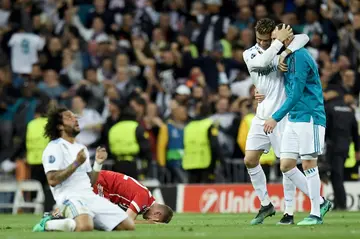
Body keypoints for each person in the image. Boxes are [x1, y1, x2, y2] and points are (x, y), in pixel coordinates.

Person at [242, 18, 309, 225]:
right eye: (259, 39)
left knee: (286, 165)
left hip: (281, 116)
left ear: (273, 34)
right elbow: (262, 63)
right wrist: (277, 45)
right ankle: (266, 204)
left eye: (266, 39)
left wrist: (285, 50)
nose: (262, 43)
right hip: (261, 115)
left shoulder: (282, 48)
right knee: (250, 160)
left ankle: (295, 208)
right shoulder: (250, 54)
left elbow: (305, 37)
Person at [264, 24, 332, 225]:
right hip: (295, 117)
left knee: (309, 162)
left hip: (310, 115)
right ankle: (321, 202)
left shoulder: (300, 57)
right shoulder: (288, 55)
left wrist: (275, 117)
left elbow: (296, 93)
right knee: (286, 165)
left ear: (285, 37)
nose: (272, 41)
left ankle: (315, 214)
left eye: (275, 37)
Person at [32, 107, 135, 232]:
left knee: (128, 226)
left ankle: (73, 222)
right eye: (69, 117)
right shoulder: (54, 147)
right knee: (85, 227)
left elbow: (90, 183)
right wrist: (76, 163)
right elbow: (52, 180)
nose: (75, 119)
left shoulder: (80, 147)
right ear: (60, 126)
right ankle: (47, 223)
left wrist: (98, 163)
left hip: (90, 197)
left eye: (75, 117)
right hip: (69, 198)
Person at [93, 170, 173, 224]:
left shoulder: (146, 200)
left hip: (102, 181)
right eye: (155, 221)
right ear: (157, 214)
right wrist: (147, 223)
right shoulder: (144, 199)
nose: (150, 220)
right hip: (101, 181)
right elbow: (126, 220)